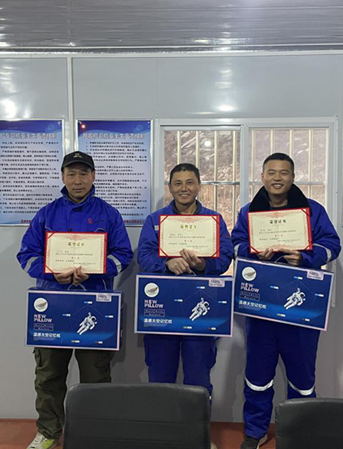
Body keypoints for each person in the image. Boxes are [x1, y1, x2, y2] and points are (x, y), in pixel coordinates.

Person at [17, 151, 133, 449]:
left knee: (96, 377)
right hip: (52, 306)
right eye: (71, 174)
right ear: (63, 177)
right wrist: (51, 272)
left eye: (83, 173)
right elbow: (26, 255)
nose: (77, 180)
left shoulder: (109, 214)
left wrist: (96, 269)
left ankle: (95, 433)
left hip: (95, 306)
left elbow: (123, 255)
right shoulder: (46, 214)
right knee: (48, 374)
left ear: (93, 176)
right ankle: (48, 431)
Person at [232, 153, 341, 449]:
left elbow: (332, 245)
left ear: (293, 177)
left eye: (283, 172)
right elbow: (235, 245)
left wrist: (305, 257)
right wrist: (255, 252)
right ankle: (255, 431)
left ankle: (300, 432)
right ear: (262, 177)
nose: (277, 178)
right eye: (271, 172)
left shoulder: (313, 210)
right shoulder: (248, 212)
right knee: (258, 374)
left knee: (302, 376)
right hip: (262, 306)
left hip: (301, 307)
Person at [137, 163, 233, 448]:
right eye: (177, 183)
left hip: (200, 311)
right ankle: (161, 438)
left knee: (199, 379)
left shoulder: (214, 220)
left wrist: (203, 265)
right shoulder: (155, 220)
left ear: (199, 185)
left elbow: (225, 257)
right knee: (160, 377)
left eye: (189, 182)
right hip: (162, 310)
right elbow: (144, 255)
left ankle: (198, 436)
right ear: (170, 187)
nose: (184, 188)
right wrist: (166, 263)